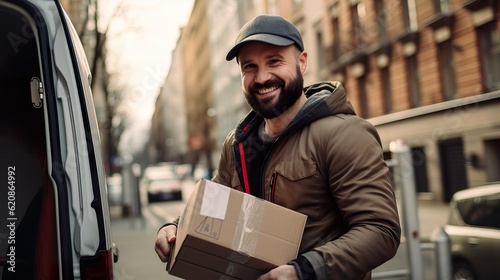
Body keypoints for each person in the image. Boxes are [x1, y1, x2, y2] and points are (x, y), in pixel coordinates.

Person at [155, 14, 401, 280]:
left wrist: (303, 271)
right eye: (249, 67)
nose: (262, 77)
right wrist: (175, 228)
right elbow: (211, 210)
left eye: (274, 61)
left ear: (302, 62)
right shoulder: (236, 145)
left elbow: (381, 231)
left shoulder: (344, 133)